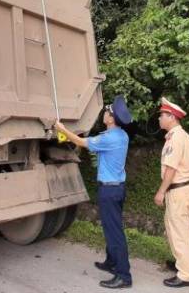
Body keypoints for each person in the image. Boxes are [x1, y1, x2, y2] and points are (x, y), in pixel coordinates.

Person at [55, 95, 133, 289]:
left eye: (107, 112)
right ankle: (111, 262)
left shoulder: (110, 138)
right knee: (110, 227)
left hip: (109, 190)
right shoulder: (122, 135)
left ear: (111, 119)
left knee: (114, 233)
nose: (104, 114)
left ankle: (124, 276)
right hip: (117, 189)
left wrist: (62, 129)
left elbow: (82, 143)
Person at [154, 97, 189, 288]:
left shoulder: (176, 138)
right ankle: (181, 264)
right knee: (175, 229)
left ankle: (186, 275)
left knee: (180, 232)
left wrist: (161, 192)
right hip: (182, 189)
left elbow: (171, 169)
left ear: (171, 116)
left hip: (178, 190)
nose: (159, 119)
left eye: (162, 115)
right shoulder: (180, 136)